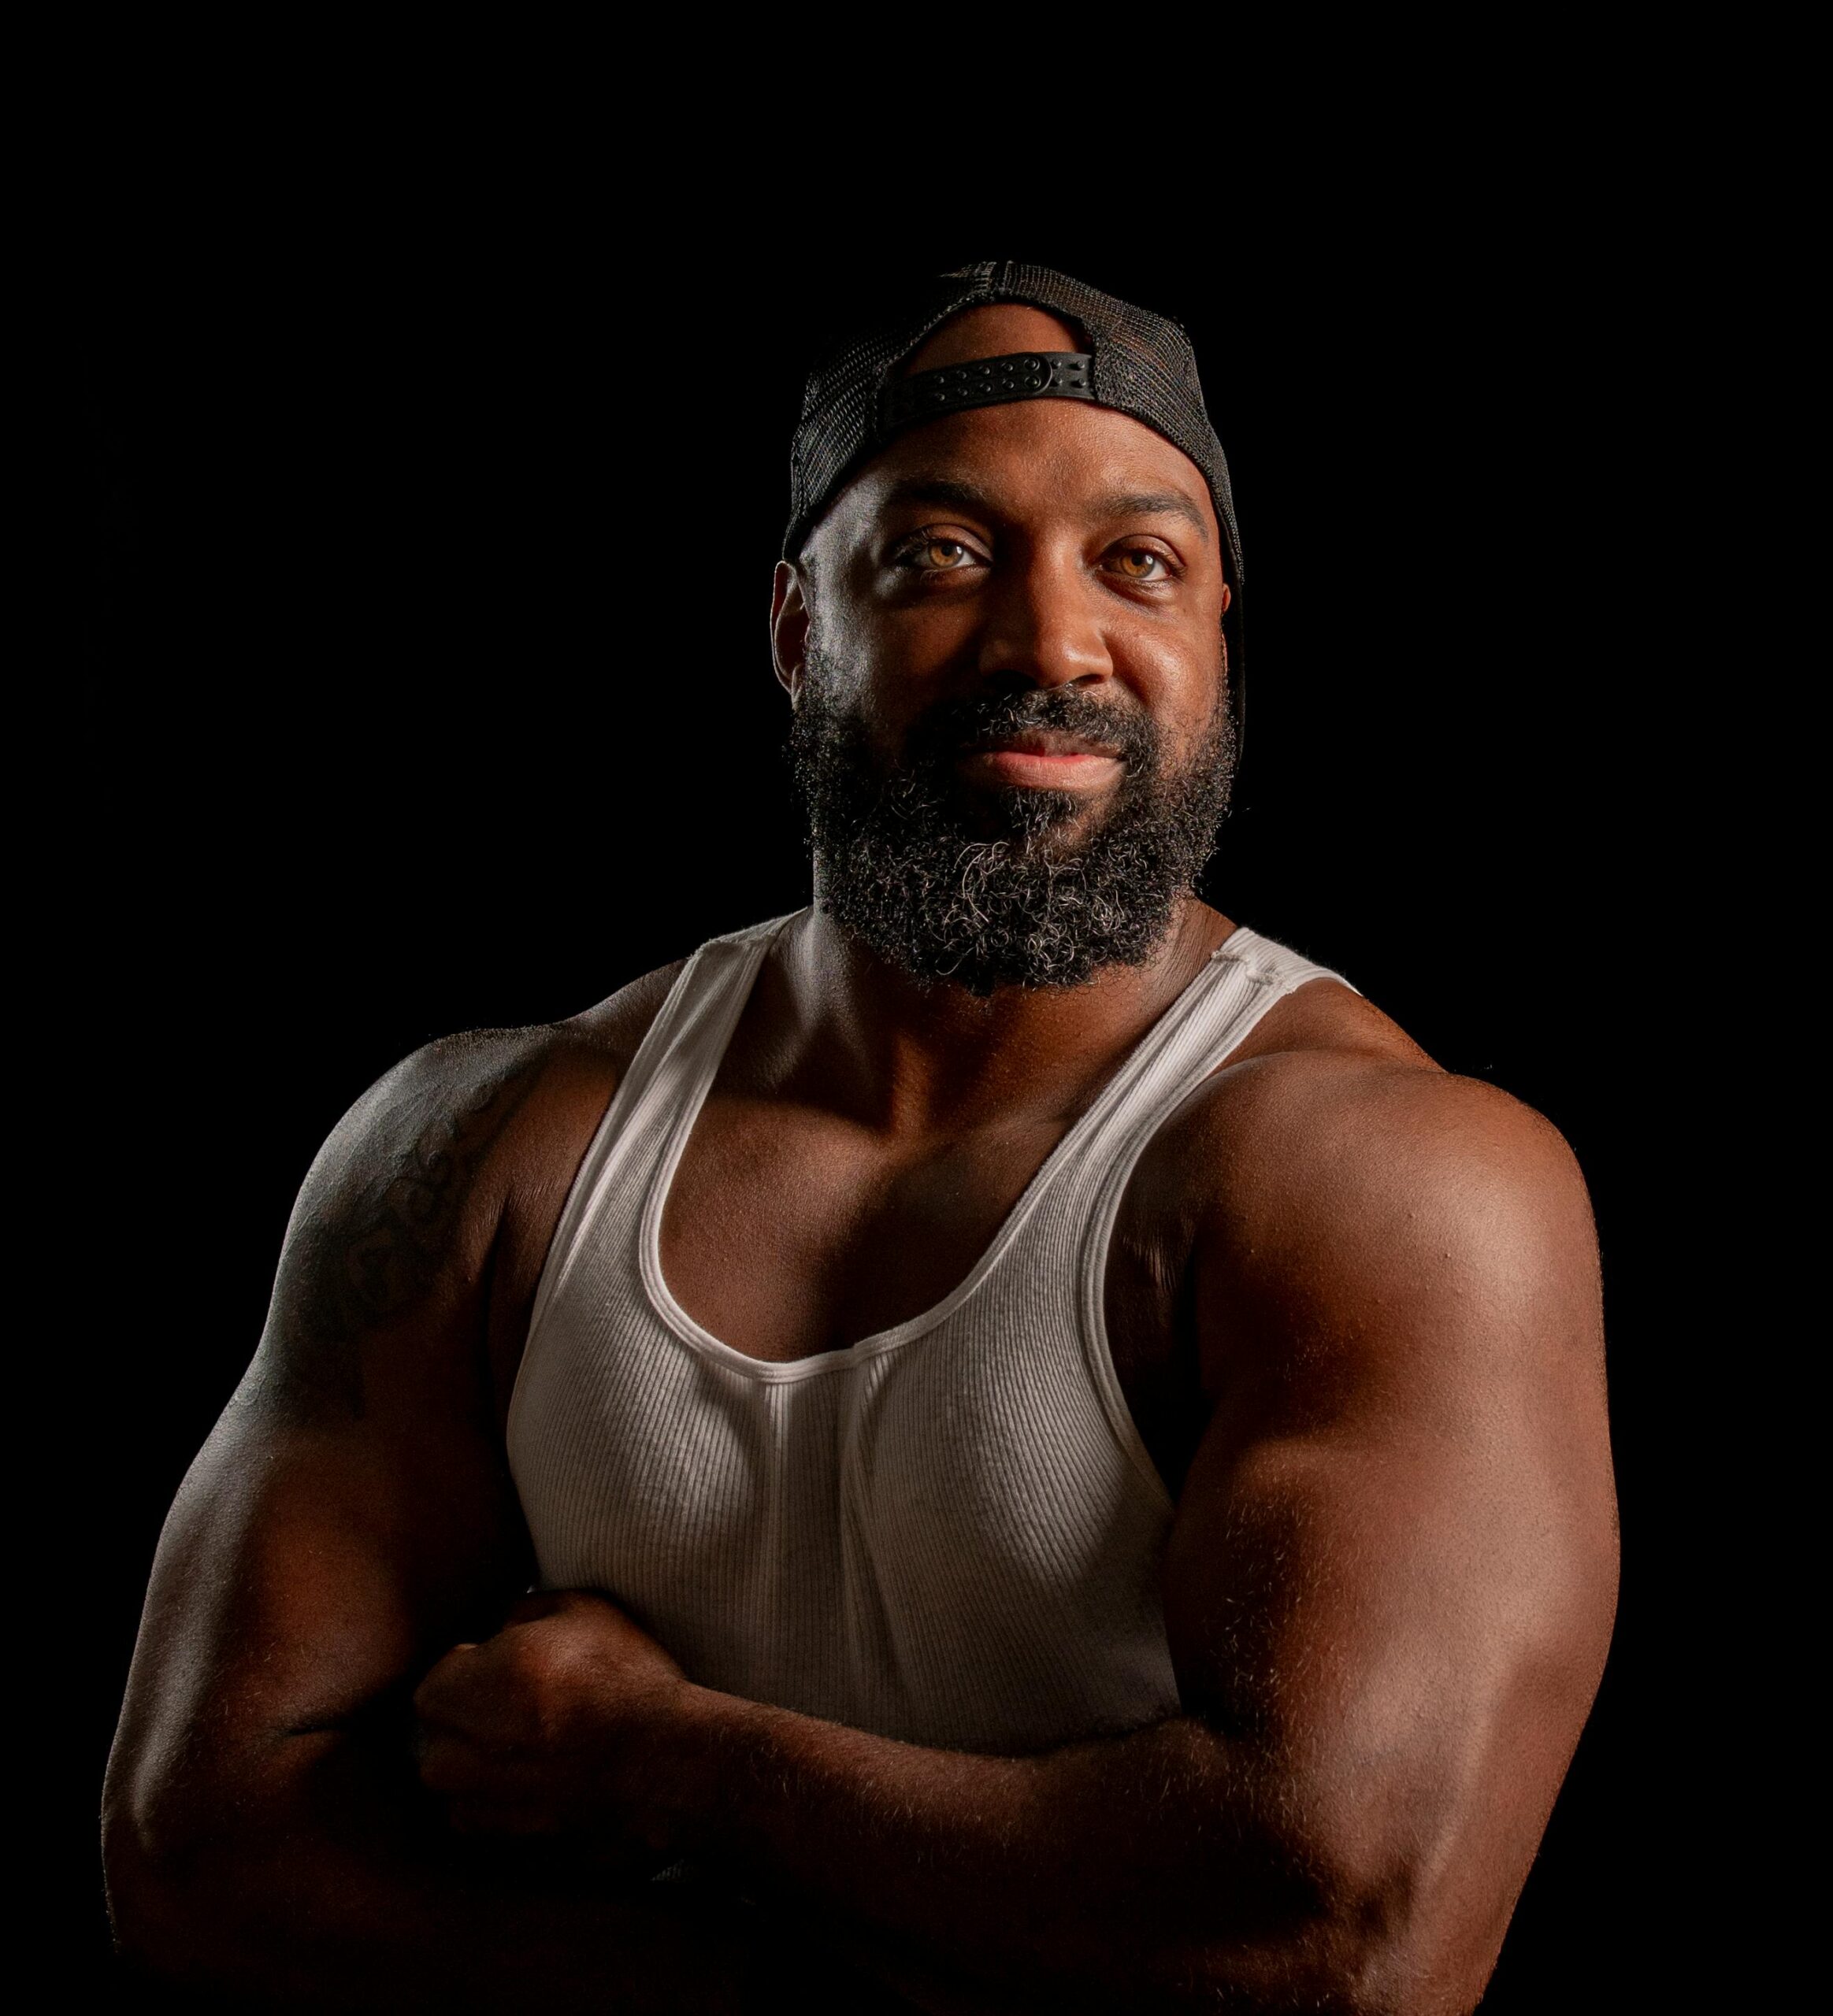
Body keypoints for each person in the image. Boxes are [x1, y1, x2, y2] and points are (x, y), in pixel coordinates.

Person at [103, 261, 1618, 2014]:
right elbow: (202, 1844)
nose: (1051, 643)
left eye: (1138, 563)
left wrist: (676, 1761)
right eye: (943, 554)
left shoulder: (1387, 1182)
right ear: (794, 628)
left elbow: (1347, 1937)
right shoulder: (488, 1145)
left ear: (1218, 641)